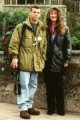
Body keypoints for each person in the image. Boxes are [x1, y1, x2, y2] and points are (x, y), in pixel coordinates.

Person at [8, 6, 47, 119]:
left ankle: (29, 105)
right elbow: (14, 43)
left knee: (33, 85)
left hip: (37, 63)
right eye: (34, 12)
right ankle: (23, 108)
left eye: (38, 12)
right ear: (30, 13)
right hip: (24, 62)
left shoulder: (42, 28)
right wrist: (14, 57)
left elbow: (44, 46)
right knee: (23, 86)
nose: (36, 14)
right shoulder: (21, 27)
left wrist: (43, 59)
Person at [44, 7, 72, 116]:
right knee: (49, 87)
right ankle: (50, 108)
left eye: (55, 14)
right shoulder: (45, 28)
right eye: (51, 13)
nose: (53, 15)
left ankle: (61, 109)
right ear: (49, 15)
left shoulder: (65, 28)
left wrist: (67, 59)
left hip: (59, 61)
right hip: (47, 61)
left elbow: (68, 45)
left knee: (59, 87)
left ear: (58, 15)